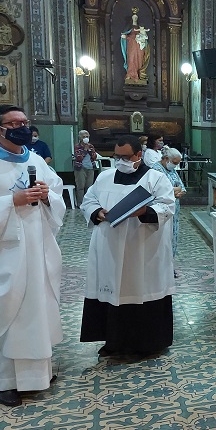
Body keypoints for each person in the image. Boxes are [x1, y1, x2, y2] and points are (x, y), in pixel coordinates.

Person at [0, 104, 65, 407]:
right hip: (0, 254)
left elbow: (55, 193)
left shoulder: (35, 161)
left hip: (37, 250)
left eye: (25, 122)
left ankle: (36, 377)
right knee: (4, 314)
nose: (23, 127)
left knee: (36, 313)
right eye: (14, 122)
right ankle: (4, 382)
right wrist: (11, 201)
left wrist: (47, 196)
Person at [80, 135, 176, 358]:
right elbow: (89, 200)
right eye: (117, 156)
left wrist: (145, 211)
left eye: (126, 157)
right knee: (113, 293)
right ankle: (114, 342)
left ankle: (147, 344)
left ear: (139, 155)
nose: (120, 161)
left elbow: (167, 206)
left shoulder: (155, 178)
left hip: (143, 247)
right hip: (110, 245)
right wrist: (97, 212)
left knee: (142, 291)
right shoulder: (104, 177)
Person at [152, 146, 186, 275]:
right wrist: (174, 190)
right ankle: (160, 267)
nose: (175, 166)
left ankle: (169, 265)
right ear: (166, 159)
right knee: (163, 239)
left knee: (172, 238)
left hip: (174, 211)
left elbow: (180, 187)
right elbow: (159, 190)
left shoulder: (172, 170)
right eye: (174, 163)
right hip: (161, 211)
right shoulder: (156, 170)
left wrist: (179, 191)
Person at [121, 10, 150, 83]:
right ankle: (130, 74)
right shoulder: (128, 28)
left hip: (139, 46)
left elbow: (144, 37)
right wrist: (125, 37)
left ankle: (139, 74)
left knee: (139, 59)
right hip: (131, 45)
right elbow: (124, 35)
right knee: (131, 59)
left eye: (136, 17)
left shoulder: (140, 28)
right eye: (133, 17)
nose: (135, 19)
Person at [73, 129, 98, 205]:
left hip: (90, 167)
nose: (85, 138)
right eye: (84, 136)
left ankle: (88, 203)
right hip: (80, 168)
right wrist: (84, 150)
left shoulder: (91, 146)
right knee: (81, 187)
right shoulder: (77, 146)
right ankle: (80, 203)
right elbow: (78, 157)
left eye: (87, 136)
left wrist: (90, 151)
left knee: (89, 187)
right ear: (80, 138)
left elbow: (94, 157)